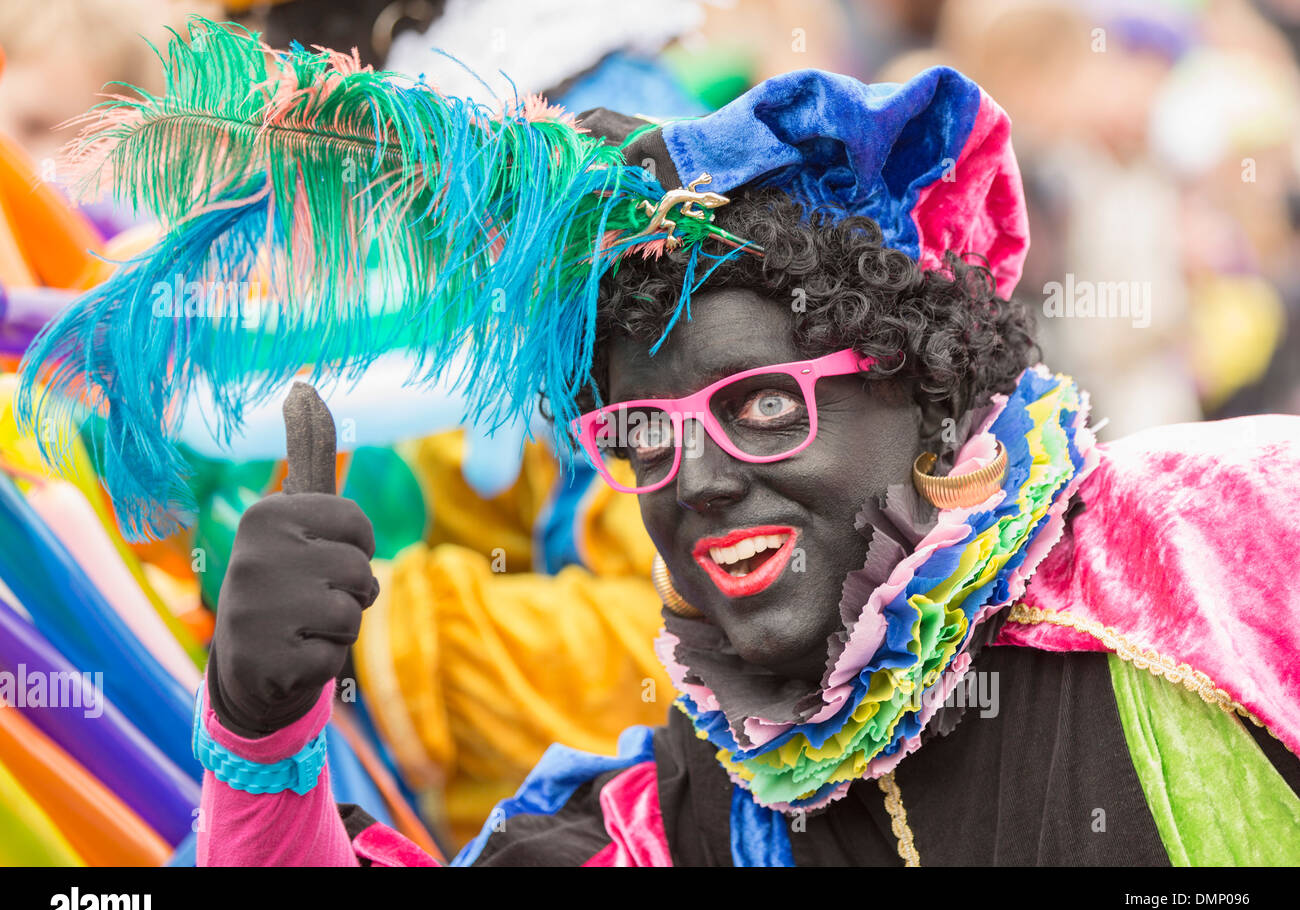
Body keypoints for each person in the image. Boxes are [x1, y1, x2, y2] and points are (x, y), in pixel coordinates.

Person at [20, 20, 1300, 865]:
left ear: (923, 388)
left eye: (758, 408)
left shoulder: (1205, 537)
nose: (693, 480)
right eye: (641, 432)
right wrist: (262, 731)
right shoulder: (677, 823)